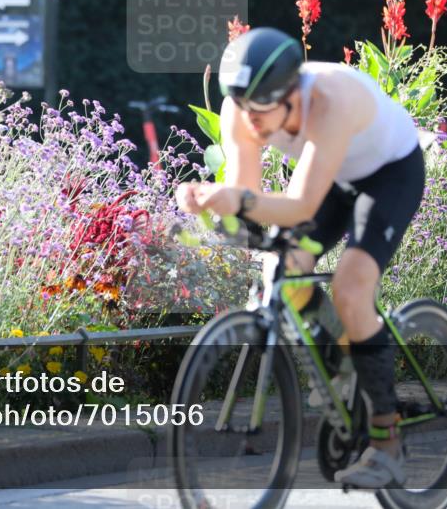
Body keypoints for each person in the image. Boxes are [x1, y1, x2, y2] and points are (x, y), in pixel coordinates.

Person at [175, 27, 425, 487]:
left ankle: (387, 440)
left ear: (292, 94)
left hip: (388, 176)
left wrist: (236, 201)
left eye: (262, 108)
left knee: (352, 289)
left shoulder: (328, 100)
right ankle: (340, 360)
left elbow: (301, 207)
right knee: (280, 267)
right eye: (243, 107)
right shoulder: (241, 107)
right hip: (332, 180)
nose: (251, 121)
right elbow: (248, 196)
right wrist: (212, 207)